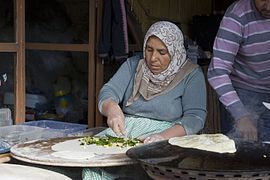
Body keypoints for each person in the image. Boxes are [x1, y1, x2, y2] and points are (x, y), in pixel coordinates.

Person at [83, 21, 207, 180]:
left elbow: (195, 118)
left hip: (169, 136)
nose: (153, 58)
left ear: (175, 51)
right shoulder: (134, 64)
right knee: (92, 163)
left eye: (162, 52)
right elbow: (109, 91)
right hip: (126, 132)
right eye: (149, 49)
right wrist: (112, 109)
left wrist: (161, 137)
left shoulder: (191, 74)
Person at [207, 0, 270, 142]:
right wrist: (240, 115)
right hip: (241, 94)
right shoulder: (237, 15)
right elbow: (218, 71)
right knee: (238, 154)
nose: (268, 7)